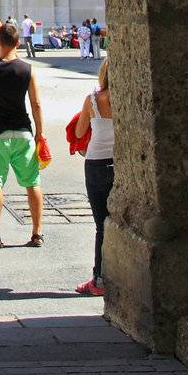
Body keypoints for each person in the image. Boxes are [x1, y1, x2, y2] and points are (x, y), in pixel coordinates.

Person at [0, 21, 46, 248]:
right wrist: (40, 134)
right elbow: (36, 104)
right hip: (24, 133)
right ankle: (36, 233)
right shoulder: (28, 70)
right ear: (18, 42)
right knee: (32, 183)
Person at [73, 59, 113, 296]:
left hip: (97, 162)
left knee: (101, 224)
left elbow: (79, 132)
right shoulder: (128, 96)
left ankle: (98, 280)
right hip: (121, 161)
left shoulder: (92, 99)